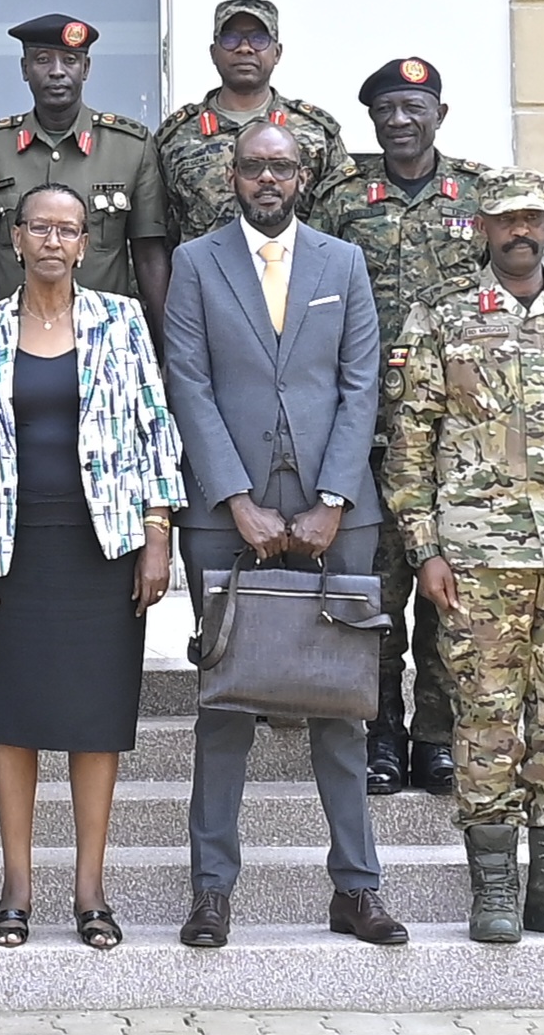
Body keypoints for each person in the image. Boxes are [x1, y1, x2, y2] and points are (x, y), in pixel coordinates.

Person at [382, 174, 544, 945]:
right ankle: (493, 886)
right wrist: (424, 547)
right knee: (487, 719)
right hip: (476, 560)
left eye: (531, 217)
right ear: (483, 228)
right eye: (505, 220)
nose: (519, 231)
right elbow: (410, 443)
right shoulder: (443, 317)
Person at [160, 119, 407, 950]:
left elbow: (359, 381)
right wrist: (234, 498)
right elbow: (187, 381)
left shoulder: (342, 261)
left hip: (336, 514)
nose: (268, 178)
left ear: (302, 177)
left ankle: (357, 889)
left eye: (282, 166)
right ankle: (211, 890)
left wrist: (333, 495)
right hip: (226, 516)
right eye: (254, 165)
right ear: (231, 175)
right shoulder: (195, 263)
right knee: (224, 702)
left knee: (341, 706)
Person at [0, 182, 183, 951]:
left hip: (99, 544)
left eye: (67, 229)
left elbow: (153, 428)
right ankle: (16, 888)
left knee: (94, 720)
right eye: (38, 225)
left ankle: (90, 889)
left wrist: (156, 531)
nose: (52, 239)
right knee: (9, 719)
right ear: (14, 237)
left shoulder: (121, 320)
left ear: (84, 244)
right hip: (8, 544)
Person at [312, 55, 501, 796]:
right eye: (385, 109)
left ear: (438, 116)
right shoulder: (342, 199)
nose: (398, 120)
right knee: (377, 596)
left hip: (460, 438)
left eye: (411, 108)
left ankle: (436, 736)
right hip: (370, 432)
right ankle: (380, 733)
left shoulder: (482, 194)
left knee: (447, 595)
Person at [0, 15, 167, 311]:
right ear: (25, 69)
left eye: (69, 60)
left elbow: (149, 256)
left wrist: (165, 351)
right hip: (11, 333)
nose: (57, 72)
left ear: (85, 69)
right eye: (42, 60)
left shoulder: (130, 147)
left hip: (102, 334)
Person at [153, 0, 358, 250]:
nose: (245, 49)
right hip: (205, 282)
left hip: (297, 281)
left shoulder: (315, 133)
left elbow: (344, 217)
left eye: (259, 39)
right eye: (231, 39)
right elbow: (155, 232)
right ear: (213, 52)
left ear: (277, 53)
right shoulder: (177, 137)